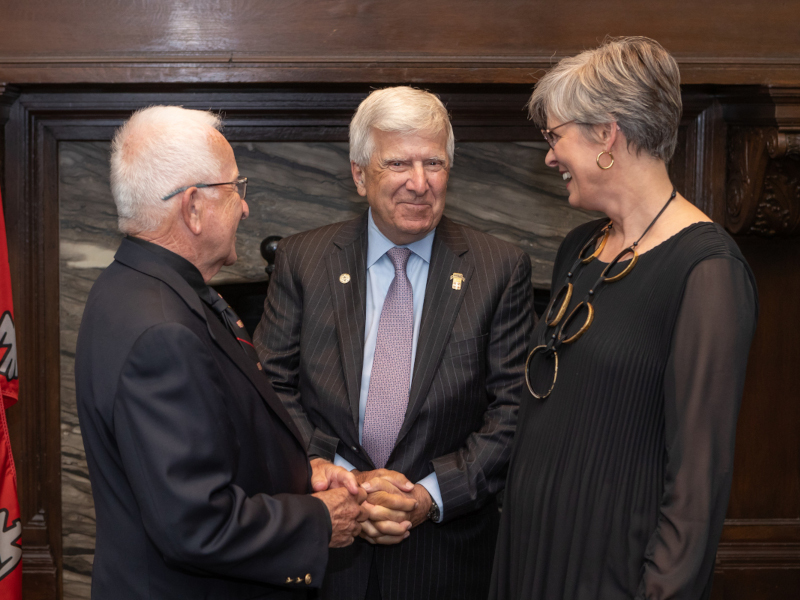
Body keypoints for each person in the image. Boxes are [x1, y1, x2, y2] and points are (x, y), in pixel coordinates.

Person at [490, 37, 759, 600]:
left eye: (555, 136)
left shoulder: (706, 271)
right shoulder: (579, 247)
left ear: (606, 135)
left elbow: (698, 481)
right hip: (534, 550)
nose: (549, 156)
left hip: (611, 568)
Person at [75, 105, 368, 600]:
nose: (246, 207)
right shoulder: (163, 330)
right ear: (192, 207)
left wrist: (302, 475)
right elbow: (195, 523)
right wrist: (316, 520)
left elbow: (215, 444)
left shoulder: (133, 285)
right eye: (235, 188)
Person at [253, 86, 534, 600]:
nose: (419, 183)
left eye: (435, 162)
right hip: (327, 550)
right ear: (360, 174)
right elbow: (270, 388)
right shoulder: (303, 260)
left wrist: (427, 496)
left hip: (446, 560)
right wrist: (333, 479)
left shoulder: (500, 268)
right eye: (398, 163)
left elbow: (514, 410)